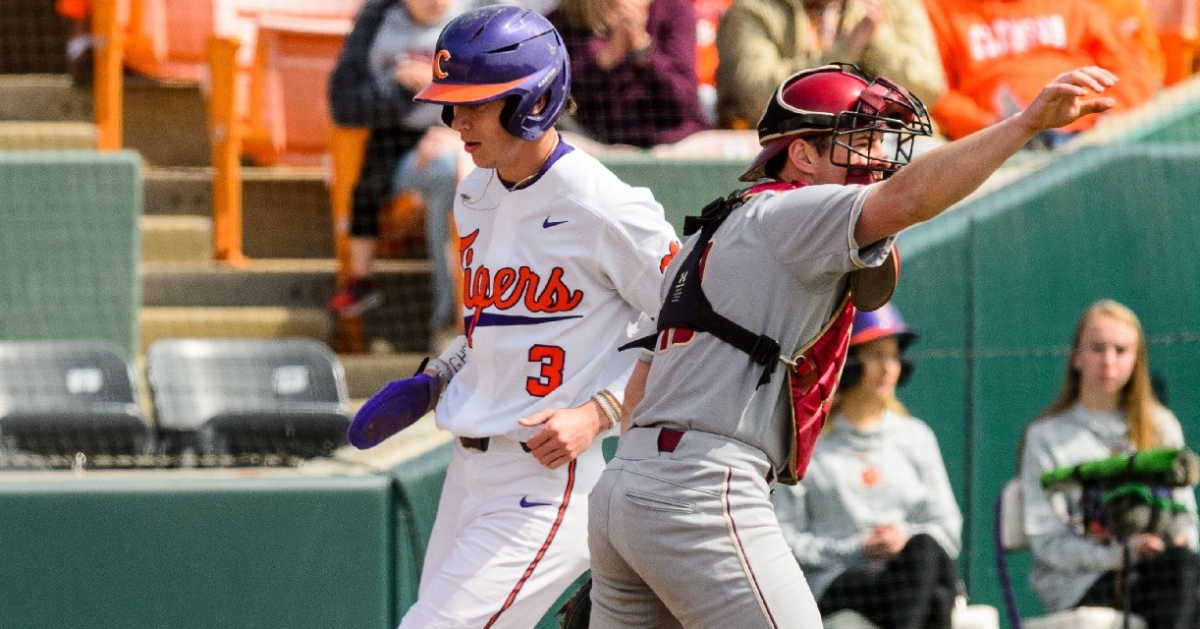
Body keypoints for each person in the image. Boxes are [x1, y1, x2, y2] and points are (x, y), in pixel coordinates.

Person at [586, 62, 1121, 628]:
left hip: (629, 484)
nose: (875, 159)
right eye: (856, 142)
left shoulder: (713, 229)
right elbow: (909, 198)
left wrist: (647, 487)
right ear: (801, 155)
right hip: (702, 486)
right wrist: (1026, 123)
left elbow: (643, 382)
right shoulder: (791, 211)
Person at [349, 6, 680, 628]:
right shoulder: (475, 190)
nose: (456, 120)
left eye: (475, 102)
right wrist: (436, 377)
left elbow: (690, 324)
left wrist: (601, 412)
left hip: (544, 479)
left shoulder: (601, 203)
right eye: (450, 103)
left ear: (533, 100)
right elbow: (489, 325)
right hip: (467, 470)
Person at [773, 303, 962, 629]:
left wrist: (903, 539)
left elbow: (947, 527)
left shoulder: (917, 437)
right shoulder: (808, 444)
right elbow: (785, 538)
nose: (888, 368)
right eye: (875, 355)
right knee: (937, 598)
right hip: (838, 580)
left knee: (924, 547)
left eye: (893, 356)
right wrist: (857, 548)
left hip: (905, 575)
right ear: (844, 361)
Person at [1019, 300, 1200, 629]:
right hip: (1084, 583)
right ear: (1077, 356)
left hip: (1162, 570)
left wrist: (1172, 539)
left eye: (1121, 350)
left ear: (1137, 359)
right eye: (1097, 348)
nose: (1109, 361)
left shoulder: (1161, 427)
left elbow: (1187, 518)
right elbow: (1047, 541)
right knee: (1182, 584)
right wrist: (1120, 554)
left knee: (1183, 569)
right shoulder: (1045, 437)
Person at [327, 0, 477, 348]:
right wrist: (402, 88)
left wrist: (459, 125)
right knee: (368, 188)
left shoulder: (478, 14)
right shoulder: (379, 17)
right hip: (395, 139)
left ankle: (460, 322)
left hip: (463, 137)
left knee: (456, 175)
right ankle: (366, 281)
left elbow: (505, 92)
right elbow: (345, 103)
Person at [925, 0, 1157, 143]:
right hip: (1007, 149)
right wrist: (986, 127)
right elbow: (934, 92)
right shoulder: (940, 10)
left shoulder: (1075, 6)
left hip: (1092, 135)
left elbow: (1132, 67)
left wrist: (1111, 116)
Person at [713, 0, 945, 129]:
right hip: (786, 144)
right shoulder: (752, 9)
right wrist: (846, 49)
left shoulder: (894, 5)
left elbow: (928, 89)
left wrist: (874, 41)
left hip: (879, 139)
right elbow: (759, 99)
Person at [548, 0, 710, 147]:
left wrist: (643, 50)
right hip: (595, 144)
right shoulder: (564, 19)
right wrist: (606, 59)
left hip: (673, 142)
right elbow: (556, 103)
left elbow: (685, 101)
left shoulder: (673, 9)